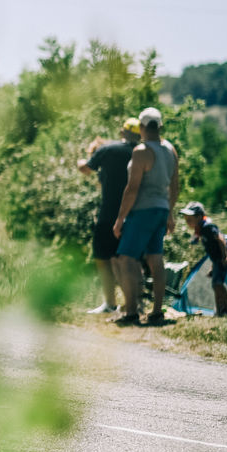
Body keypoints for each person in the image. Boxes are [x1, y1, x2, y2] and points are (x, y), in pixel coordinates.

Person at [112, 107, 179, 326]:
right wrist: (169, 213)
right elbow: (175, 186)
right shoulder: (171, 150)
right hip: (161, 210)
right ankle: (157, 310)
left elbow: (132, 188)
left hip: (143, 210)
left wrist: (120, 218)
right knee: (155, 257)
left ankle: (132, 311)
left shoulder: (141, 151)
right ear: (159, 126)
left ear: (142, 127)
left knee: (126, 258)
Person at [77, 117, 142, 314]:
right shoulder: (142, 153)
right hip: (136, 213)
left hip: (109, 214)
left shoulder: (107, 150)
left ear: (122, 133)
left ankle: (110, 303)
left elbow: (85, 168)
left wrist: (80, 160)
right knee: (128, 260)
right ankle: (135, 304)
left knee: (102, 256)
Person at [179, 202, 227, 317]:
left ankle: (225, 310)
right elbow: (212, 250)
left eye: (190, 219)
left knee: (218, 284)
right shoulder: (200, 229)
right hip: (217, 259)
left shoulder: (207, 227)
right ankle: (220, 311)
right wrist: (213, 265)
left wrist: (225, 256)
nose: (187, 221)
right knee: (216, 284)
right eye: (186, 219)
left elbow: (221, 239)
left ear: (199, 217)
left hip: (223, 256)